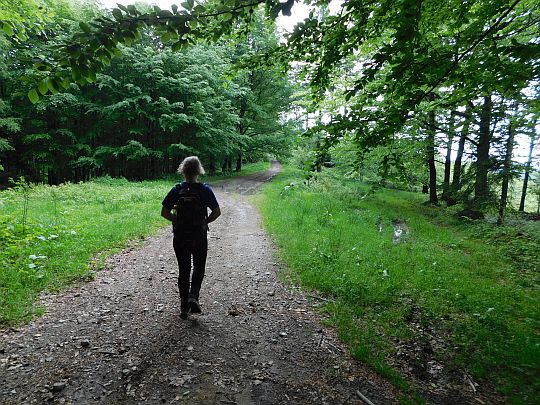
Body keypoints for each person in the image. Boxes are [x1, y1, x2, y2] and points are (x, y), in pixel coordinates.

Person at [161, 156, 221, 319]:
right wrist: (204, 221)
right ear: (199, 171)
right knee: (199, 267)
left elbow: (164, 212)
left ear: (183, 170)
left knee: (184, 269)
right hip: (198, 235)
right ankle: (193, 296)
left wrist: (178, 221)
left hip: (180, 236)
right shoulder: (205, 190)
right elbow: (217, 212)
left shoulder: (176, 189)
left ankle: (183, 306)